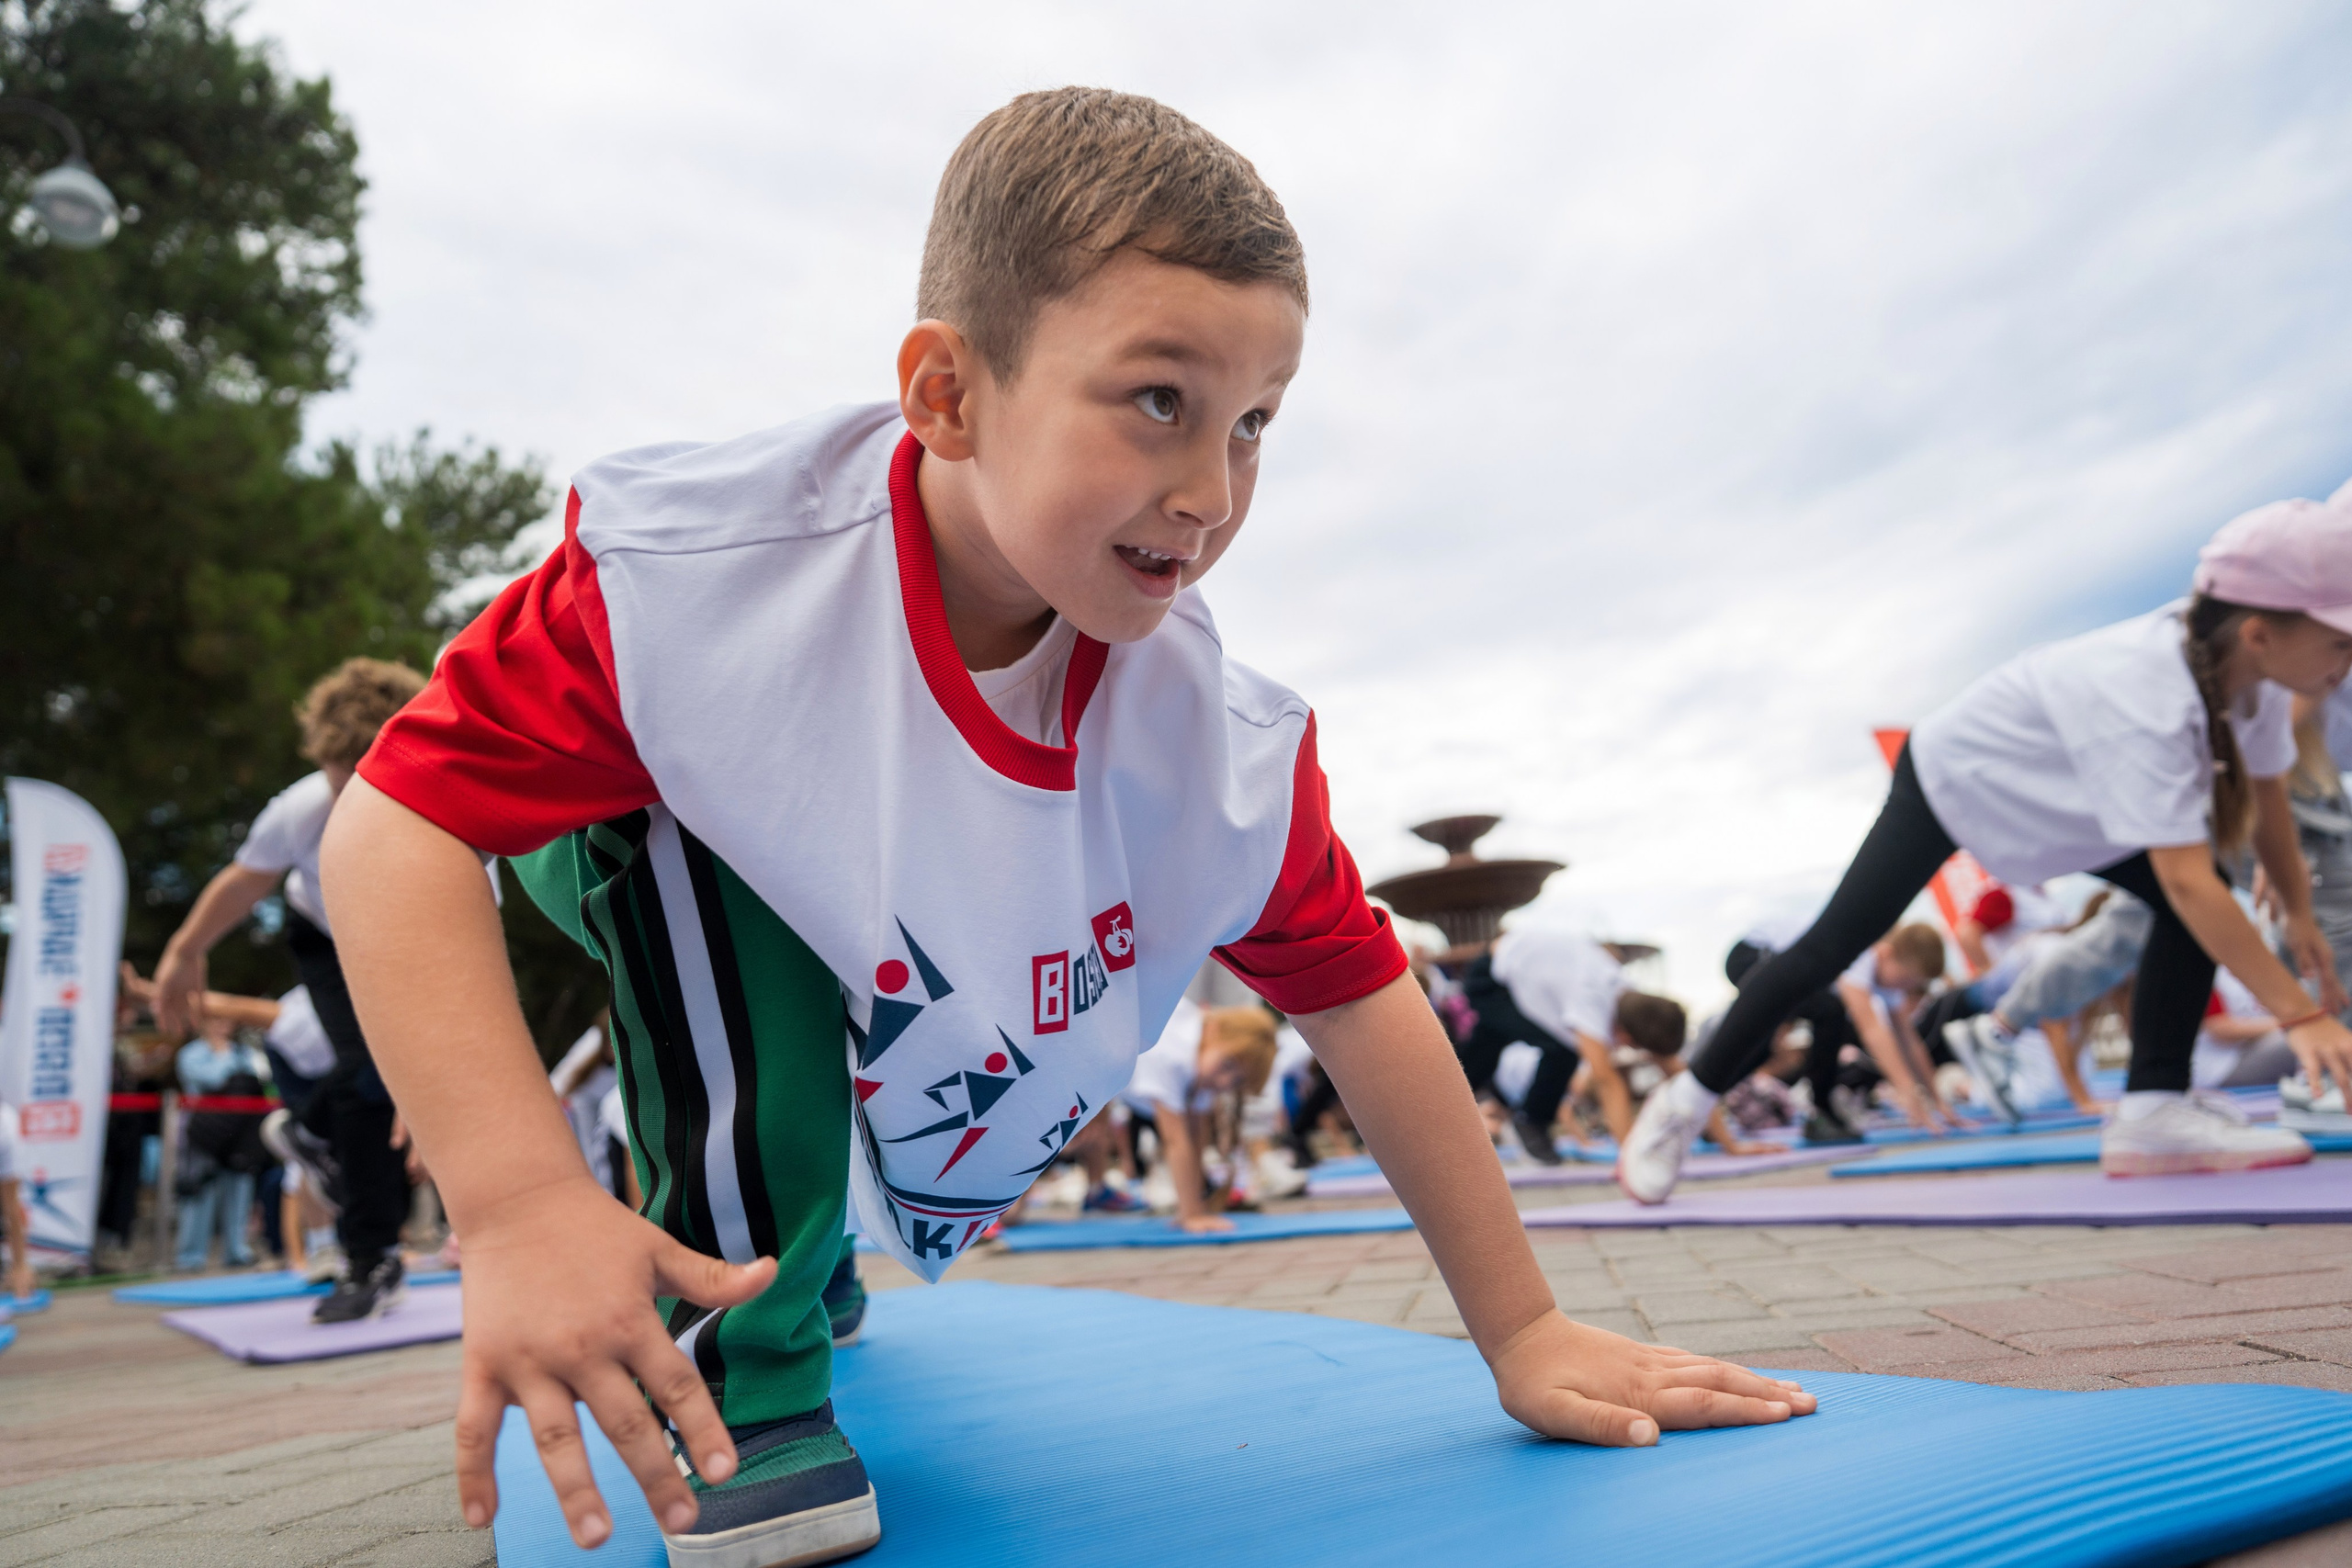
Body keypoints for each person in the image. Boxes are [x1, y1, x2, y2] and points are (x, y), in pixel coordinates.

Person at [322, 89, 1815, 1564]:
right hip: (639, 821)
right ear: (948, 394)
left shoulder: (1212, 742)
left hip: (879, 894)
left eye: (1254, 425)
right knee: (724, 888)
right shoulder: (703, 587)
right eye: (1159, 399)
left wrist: (1524, 1323)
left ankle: (809, 1247)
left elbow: (1362, 995)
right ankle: (751, 1373)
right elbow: (392, 828)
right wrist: (518, 1199)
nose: (1210, 489)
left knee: (858, 1026)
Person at [1623, 489, 2352, 1201]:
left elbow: (2267, 802)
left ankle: (2153, 1110)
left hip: (2064, 802)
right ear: (2259, 631)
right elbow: (2192, 883)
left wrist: (2294, 912)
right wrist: (2301, 1014)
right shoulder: (2148, 688)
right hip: (1956, 778)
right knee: (1827, 947)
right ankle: (1680, 1105)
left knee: (2192, 902)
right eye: (2341, 642)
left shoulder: (2246, 681)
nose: (2345, 663)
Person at [152, 658, 432, 1321]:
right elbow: (246, 881)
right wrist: (183, 949)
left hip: (407, 943)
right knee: (366, 1080)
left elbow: (466, 947)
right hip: (324, 935)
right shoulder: (302, 808)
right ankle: (370, 1257)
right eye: (339, 785)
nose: (347, 802)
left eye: (364, 784)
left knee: (381, 1089)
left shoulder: (445, 815)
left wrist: (426, 1075)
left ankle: (315, 1142)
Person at [1724, 918, 1952, 1142]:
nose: (1906, 990)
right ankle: (1821, 1113)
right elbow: (1872, 1029)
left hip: (1777, 963)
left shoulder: (1886, 975)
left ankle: (1717, 1095)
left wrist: (1937, 1100)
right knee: (1829, 1011)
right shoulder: (1862, 955)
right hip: (1751, 955)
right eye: (1906, 979)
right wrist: (1906, 1089)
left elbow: (1909, 1040)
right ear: (1886, 953)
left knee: (1811, 1020)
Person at [1943, 890, 2153, 1120]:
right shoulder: (2066, 956)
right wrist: (2082, 1100)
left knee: (2083, 1070)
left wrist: (2153, 1083)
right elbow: (2054, 1026)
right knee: (2045, 1092)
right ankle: (1958, 1084)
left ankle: (1994, 1039)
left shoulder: (2112, 958)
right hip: (1974, 1004)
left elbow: (2126, 1016)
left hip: (2018, 1008)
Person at [1119, 1001, 1279, 1230]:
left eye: (1236, 1081)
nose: (1224, 1082)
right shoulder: (1171, 1055)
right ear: (1213, 1031)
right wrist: (1190, 1215)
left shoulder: (1205, 1053)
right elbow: (1176, 1140)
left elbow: (1196, 1137)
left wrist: (1197, 1206)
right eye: (1227, 1064)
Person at [172, 1016, 271, 1270]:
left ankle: (237, 1250)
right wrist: (224, 1057)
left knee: (239, 1190)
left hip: (239, 1133)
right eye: (214, 1020)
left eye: (224, 1021)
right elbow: (212, 1079)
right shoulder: (191, 1054)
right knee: (198, 1191)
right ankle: (191, 1255)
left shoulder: (245, 1052)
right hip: (204, 1133)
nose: (220, 1026)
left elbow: (260, 1078)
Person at [1, 1100, 36, 1303]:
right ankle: (19, 1270)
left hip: (6, 1135)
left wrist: (20, 1265)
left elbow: (11, 1207)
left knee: (11, 1204)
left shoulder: (6, 1125)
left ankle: (21, 1271)